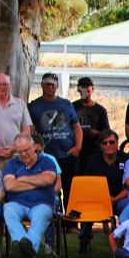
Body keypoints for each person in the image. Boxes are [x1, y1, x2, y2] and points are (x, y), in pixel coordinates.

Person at [2, 132, 59, 258]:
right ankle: (27, 250)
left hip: (42, 204)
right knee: (8, 210)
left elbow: (49, 179)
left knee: (41, 215)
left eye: (26, 150)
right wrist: (37, 183)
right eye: (19, 152)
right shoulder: (11, 164)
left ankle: (25, 253)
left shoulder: (47, 161)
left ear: (33, 146)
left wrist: (23, 179)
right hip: (17, 203)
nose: (23, 154)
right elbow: (9, 185)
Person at [26, 72, 82, 201]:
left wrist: (78, 147)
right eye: (48, 84)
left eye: (53, 85)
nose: (50, 88)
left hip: (68, 156)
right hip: (47, 157)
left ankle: (69, 221)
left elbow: (77, 127)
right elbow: (30, 131)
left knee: (71, 192)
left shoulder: (66, 104)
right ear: (42, 85)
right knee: (50, 191)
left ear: (57, 87)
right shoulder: (33, 106)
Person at [76, 131, 127, 255]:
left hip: (120, 198)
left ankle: (125, 245)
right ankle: (84, 240)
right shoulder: (94, 160)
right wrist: (102, 198)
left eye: (111, 142)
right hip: (98, 199)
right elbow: (87, 184)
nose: (108, 145)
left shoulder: (126, 159)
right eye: (104, 143)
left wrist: (114, 199)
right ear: (101, 145)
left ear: (117, 143)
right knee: (86, 208)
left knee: (128, 208)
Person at [73, 77, 110, 165]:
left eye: (88, 91)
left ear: (92, 90)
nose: (86, 94)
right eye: (83, 92)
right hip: (77, 149)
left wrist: (96, 133)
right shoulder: (72, 107)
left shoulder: (100, 110)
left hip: (95, 149)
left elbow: (107, 132)